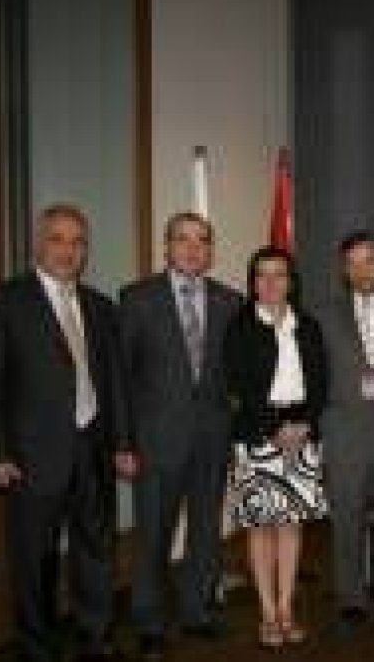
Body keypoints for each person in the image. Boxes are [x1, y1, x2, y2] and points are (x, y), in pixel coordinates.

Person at [0, 204, 138, 661]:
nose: (68, 250)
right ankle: (36, 644)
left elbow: (115, 384)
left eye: (78, 241)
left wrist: (123, 443)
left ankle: (95, 634)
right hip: (30, 455)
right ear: (37, 243)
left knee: (96, 550)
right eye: (57, 239)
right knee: (34, 559)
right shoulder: (3, 300)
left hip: (94, 449)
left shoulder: (101, 306)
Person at [119, 212, 242, 659]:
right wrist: (125, 442)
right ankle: (149, 621)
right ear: (166, 246)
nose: (193, 249)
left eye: (202, 241)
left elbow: (240, 375)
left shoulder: (231, 302)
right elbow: (122, 378)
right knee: (153, 533)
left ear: (210, 250)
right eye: (182, 240)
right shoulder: (137, 299)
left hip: (212, 437)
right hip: (156, 440)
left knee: (206, 531)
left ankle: (197, 612)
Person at [223, 246, 328, 649]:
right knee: (261, 528)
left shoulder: (309, 327)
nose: (270, 283)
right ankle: (267, 613)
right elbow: (236, 388)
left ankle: (287, 608)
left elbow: (320, 384)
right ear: (253, 283)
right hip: (257, 438)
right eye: (262, 275)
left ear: (291, 281)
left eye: (278, 274)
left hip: (301, 438)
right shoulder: (239, 328)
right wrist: (274, 428)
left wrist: (303, 424)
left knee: (291, 526)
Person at [317, 231, 374, 637]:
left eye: (368, 260)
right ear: (344, 269)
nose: (361, 270)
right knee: (346, 519)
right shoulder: (321, 314)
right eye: (352, 263)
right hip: (342, 430)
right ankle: (350, 598)